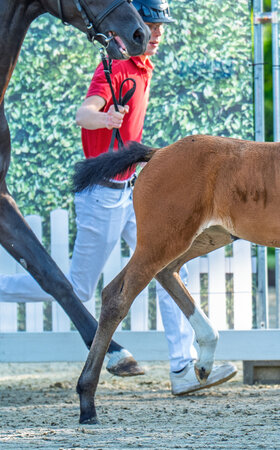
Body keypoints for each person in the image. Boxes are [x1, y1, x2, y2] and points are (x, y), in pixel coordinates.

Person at [0, 0, 236, 395]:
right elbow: (84, 114)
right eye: (151, 26)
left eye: (161, 28)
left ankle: (183, 367)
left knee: (170, 264)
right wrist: (104, 118)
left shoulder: (143, 67)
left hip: (130, 191)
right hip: (102, 198)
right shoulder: (117, 68)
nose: (156, 35)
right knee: (79, 288)